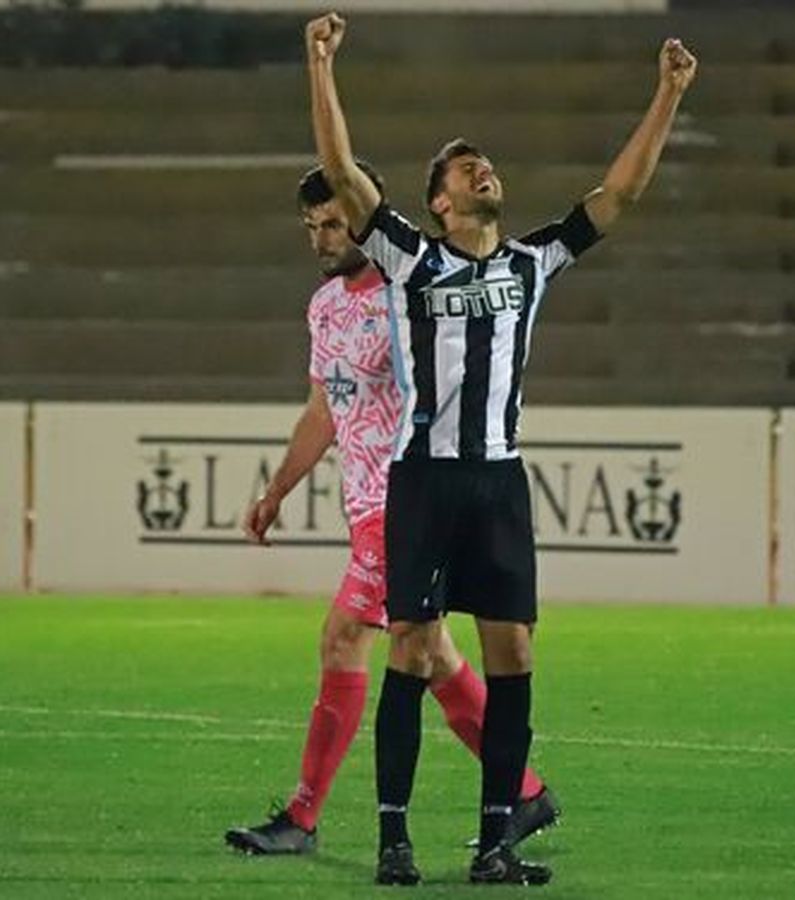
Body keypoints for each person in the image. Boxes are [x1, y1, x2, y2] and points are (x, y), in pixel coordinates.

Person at [304, 11, 696, 886]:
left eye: (487, 164)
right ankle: (394, 839)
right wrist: (320, 65)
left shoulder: (530, 262)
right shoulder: (408, 257)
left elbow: (617, 196)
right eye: (464, 166)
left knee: (513, 652)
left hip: (499, 479)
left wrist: (667, 94)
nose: (485, 170)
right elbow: (340, 172)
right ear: (439, 200)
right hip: (426, 479)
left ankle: (493, 843)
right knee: (410, 649)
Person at [222, 163, 557, 858]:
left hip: (406, 503)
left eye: (333, 223)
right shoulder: (326, 307)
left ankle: (303, 817)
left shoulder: (411, 290)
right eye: (311, 228)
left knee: (346, 638)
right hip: (366, 506)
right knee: (430, 655)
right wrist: (278, 489)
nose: (320, 239)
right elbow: (325, 409)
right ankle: (523, 792)